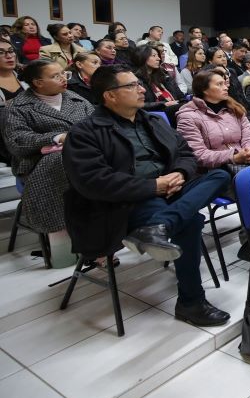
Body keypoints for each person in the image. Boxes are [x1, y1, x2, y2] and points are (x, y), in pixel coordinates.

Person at [62, 65, 232, 326]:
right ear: (110, 95)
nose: (141, 89)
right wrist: (154, 187)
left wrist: (180, 175)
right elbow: (93, 182)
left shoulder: (151, 120)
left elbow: (185, 153)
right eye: (131, 86)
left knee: (221, 175)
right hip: (126, 202)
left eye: (139, 84)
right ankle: (190, 302)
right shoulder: (86, 132)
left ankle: (160, 225)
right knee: (190, 222)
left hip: (171, 191)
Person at [4, 60, 94, 247]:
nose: (63, 79)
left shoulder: (75, 98)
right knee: (62, 161)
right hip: (38, 161)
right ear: (38, 82)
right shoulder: (18, 107)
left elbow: (96, 123)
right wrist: (56, 137)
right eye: (55, 76)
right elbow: (17, 141)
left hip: (85, 156)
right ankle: (78, 236)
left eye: (64, 74)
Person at [176, 69, 250, 174]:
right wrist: (233, 157)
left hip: (246, 161)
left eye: (225, 83)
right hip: (216, 170)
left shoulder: (234, 108)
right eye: (219, 84)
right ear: (204, 89)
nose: (226, 87)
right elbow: (198, 154)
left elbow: (249, 135)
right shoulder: (188, 116)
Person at [133, 45, 184, 115]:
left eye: (158, 55)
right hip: (157, 114)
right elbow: (138, 104)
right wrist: (163, 104)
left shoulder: (164, 75)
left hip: (175, 108)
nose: (158, 59)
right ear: (143, 58)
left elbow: (180, 96)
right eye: (154, 56)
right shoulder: (136, 80)